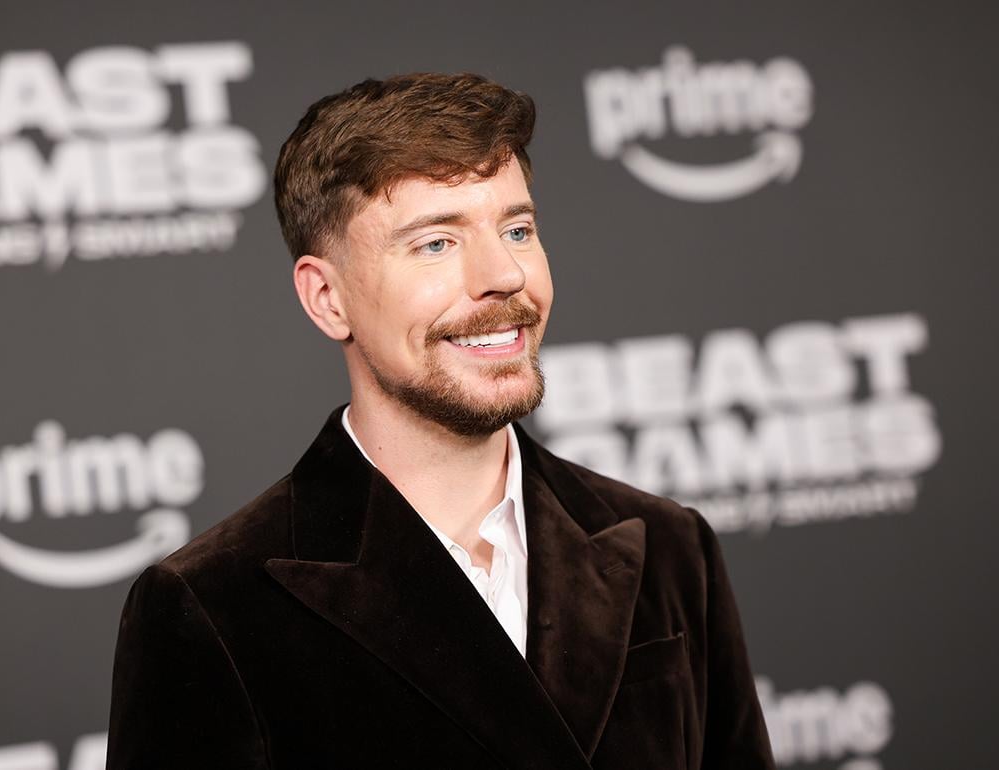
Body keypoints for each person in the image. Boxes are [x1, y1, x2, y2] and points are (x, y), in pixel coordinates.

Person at [105, 72, 775, 770]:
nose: (504, 274)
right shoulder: (212, 605)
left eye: (517, 229)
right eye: (435, 243)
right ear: (328, 298)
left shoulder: (670, 547)